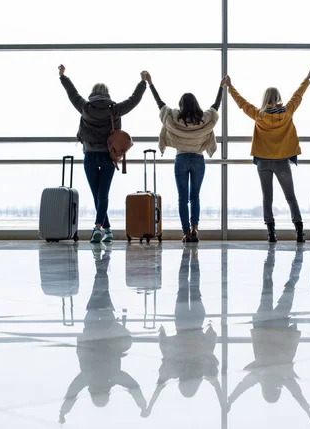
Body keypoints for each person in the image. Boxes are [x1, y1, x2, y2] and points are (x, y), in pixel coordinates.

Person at [223, 66, 310, 243]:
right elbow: (298, 95)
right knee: (290, 197)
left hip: (263, 162)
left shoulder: (258, 115)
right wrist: (307, 78)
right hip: (282, 161)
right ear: (279, 98)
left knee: (267, 198)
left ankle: (271, 232)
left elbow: (241, 103)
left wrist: (230, 87)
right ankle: (299, 231)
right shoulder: (287, 113)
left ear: (265, 99)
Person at [58, 65, 147, 243]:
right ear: (107, 94)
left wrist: (63, 76)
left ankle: (99, 229)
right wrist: (143, 82)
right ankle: (105, 229)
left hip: (90, 155)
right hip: (109, 156)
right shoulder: (115, 110)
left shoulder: (85, 107)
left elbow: (72, 93)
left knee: (96, 194)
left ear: (92, 93)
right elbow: (134, 100)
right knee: (102, 194)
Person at [59, 247, 147, 423]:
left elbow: (133, 386)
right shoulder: (89, 376)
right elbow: (73, 392)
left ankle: (102, 265)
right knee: (99, 288)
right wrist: (63, 412)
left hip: (106, 321)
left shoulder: (111, 375)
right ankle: (102, 266)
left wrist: (142, 404)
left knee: (102, 288)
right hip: (92, 320)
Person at [228, 248, 310, 422]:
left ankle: (291, 260)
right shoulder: (260, 375)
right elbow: (242, 386)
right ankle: (271, 258)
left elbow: (295, 390)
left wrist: (305, 407)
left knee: (288, 287)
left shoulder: (279, 376)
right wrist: (230, 400)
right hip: (264, 325)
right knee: (268, 286)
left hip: (277, 326)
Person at [143, 72, 226, 243]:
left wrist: (150, 83)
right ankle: (195, 229)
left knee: (182, 198)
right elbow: (216, 106)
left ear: (181, 105)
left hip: (181, 159)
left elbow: (160, 105)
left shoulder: (174, 118)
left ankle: (186, 233)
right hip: (198, 159)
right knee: (195, 196)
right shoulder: (204, 120)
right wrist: (221, 87)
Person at [142, 247, 225, 417]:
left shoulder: (203, 369)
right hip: (181, 321)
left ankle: (192, 257)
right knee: (183, 287)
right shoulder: (176, 370)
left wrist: (223, 403)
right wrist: (149, 406)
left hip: (197, 320)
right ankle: (186, 257)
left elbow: (217, 386)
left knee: (194, 287)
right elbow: (159, 387)